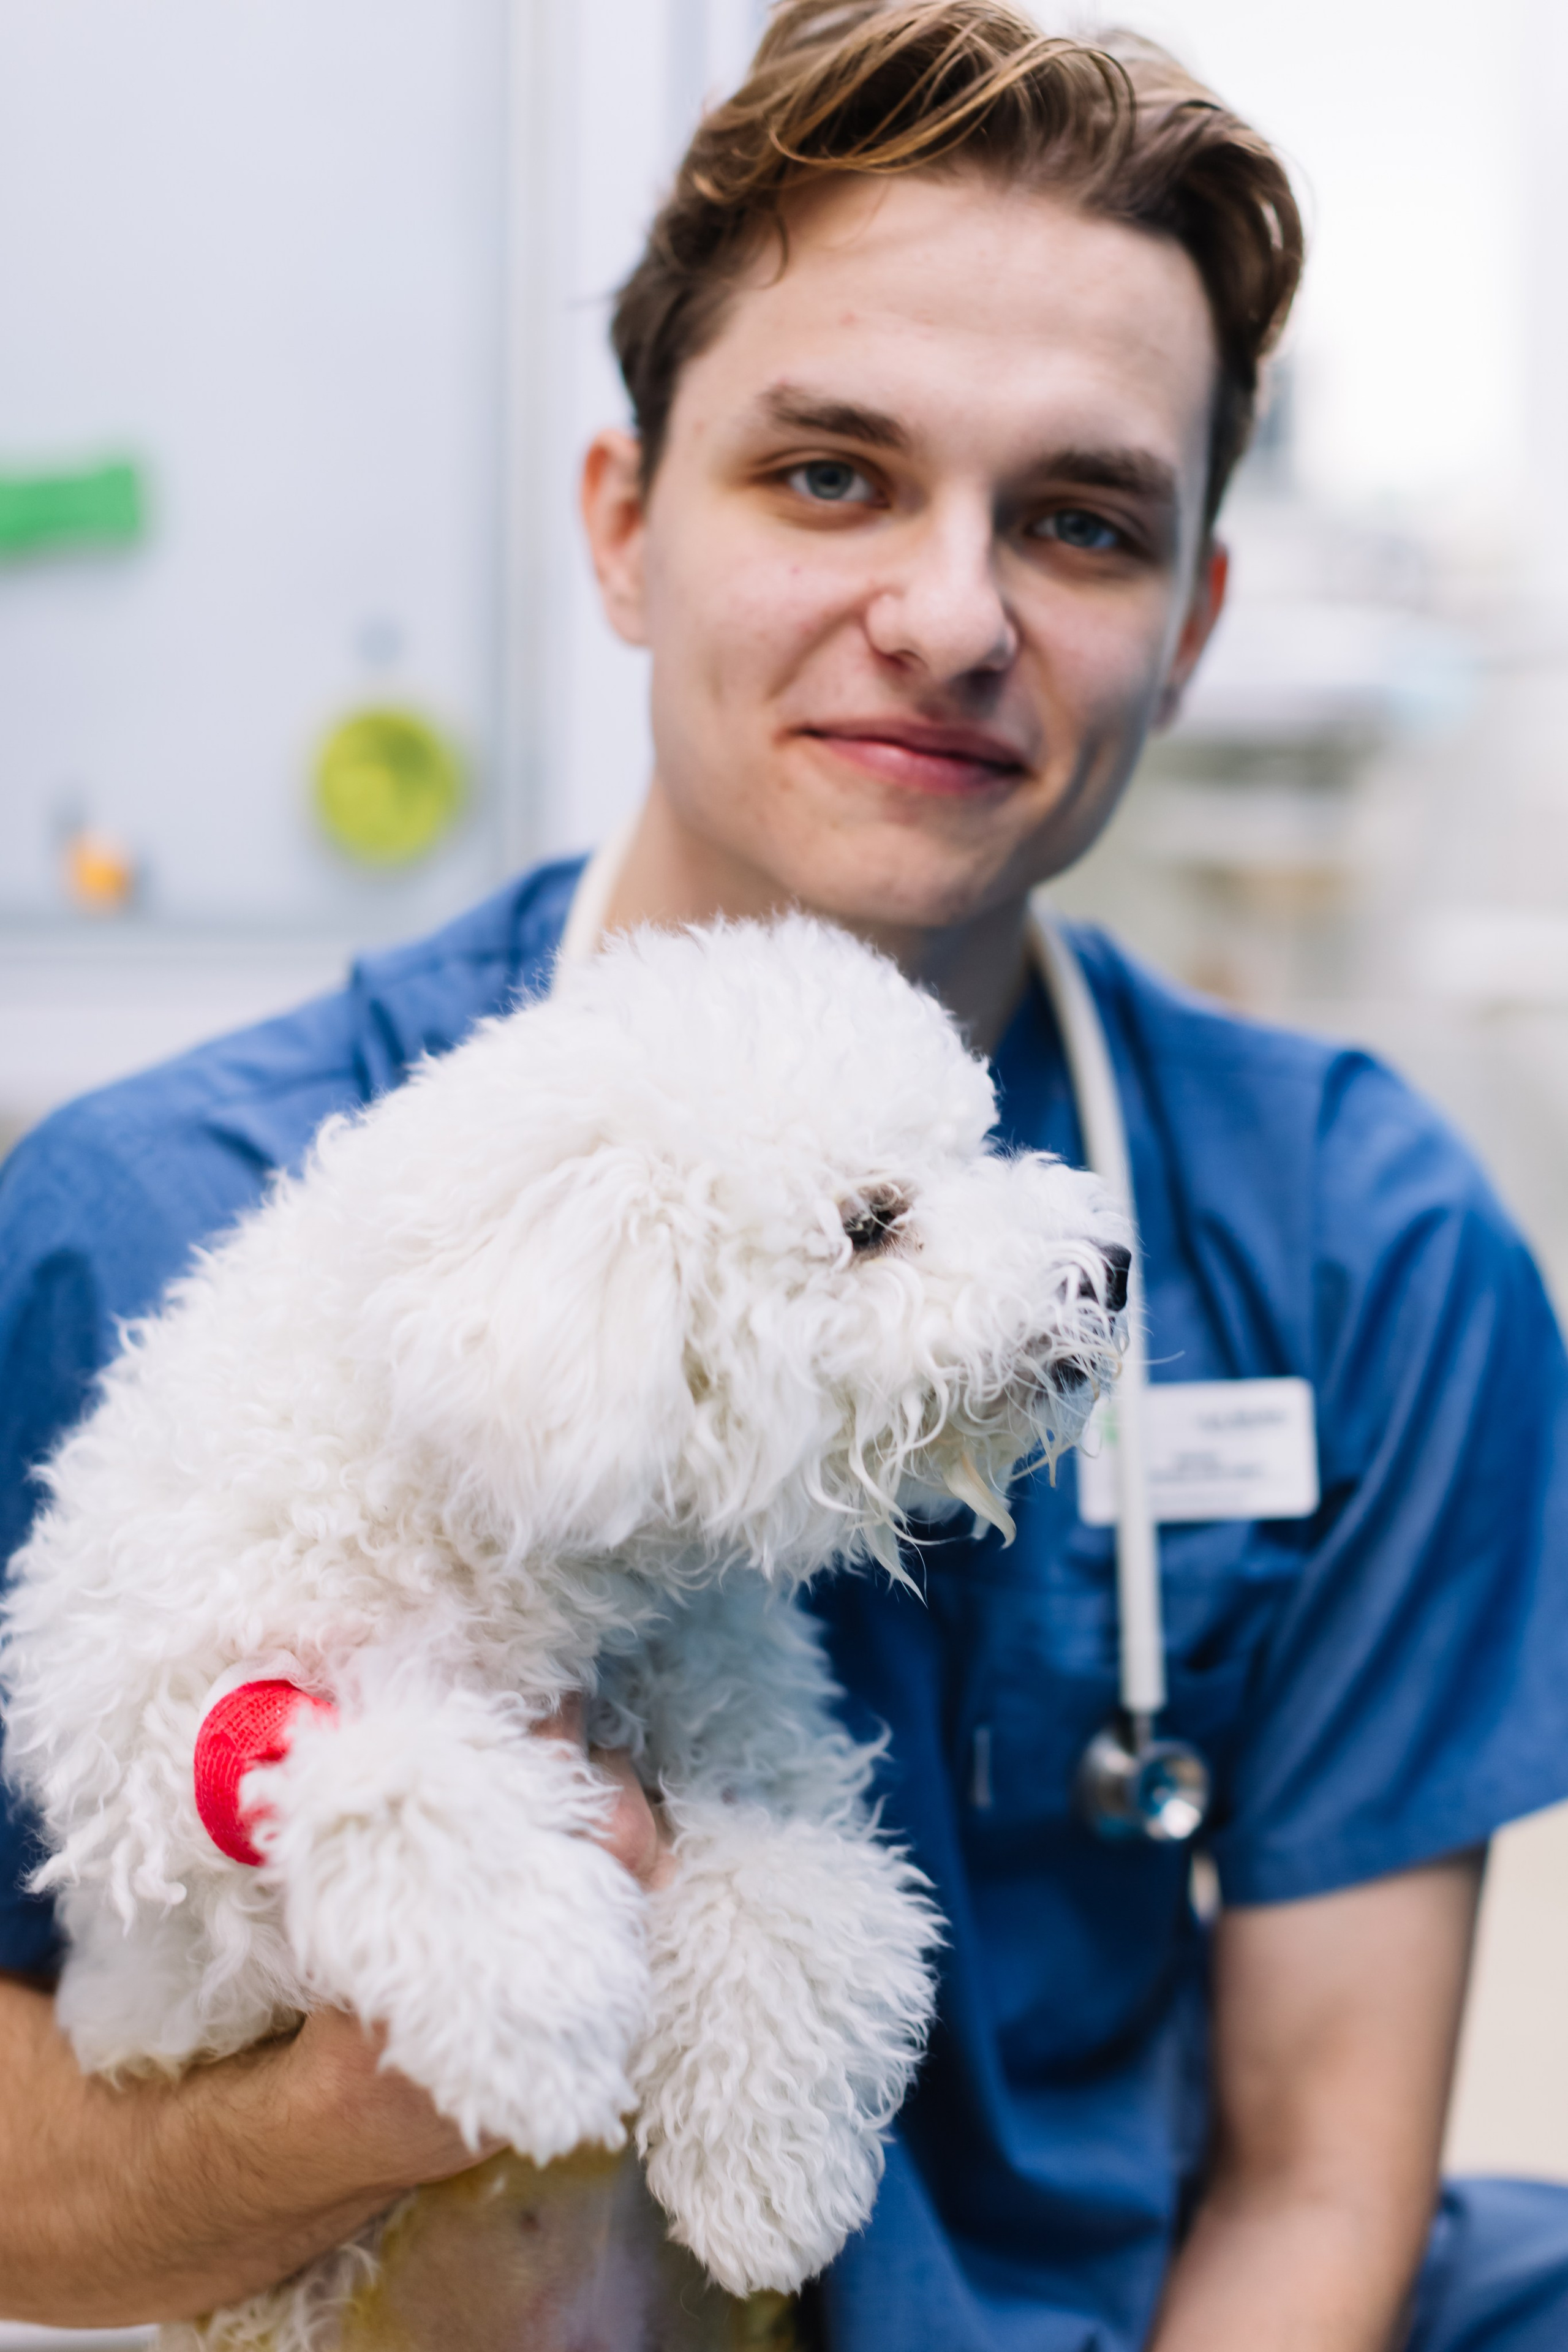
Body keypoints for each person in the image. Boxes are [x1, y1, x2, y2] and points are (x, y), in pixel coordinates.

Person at [3, 4, 1568, 2345]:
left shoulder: (1361, 1245)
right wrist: (430, 2037)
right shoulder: (164, 1218)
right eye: (830, 475)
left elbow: (1323, 2175)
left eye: (1081, 519)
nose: (951, 618)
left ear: (1194, 623)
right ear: (626, 530)